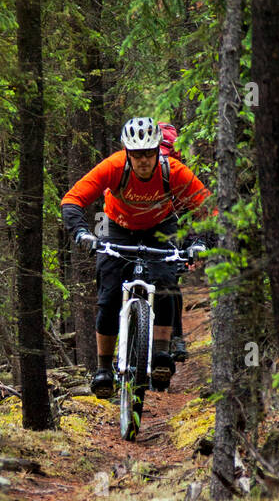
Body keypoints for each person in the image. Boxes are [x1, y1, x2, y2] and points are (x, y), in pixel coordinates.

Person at [61, 115, 212, 398]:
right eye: (137, 155)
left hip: (160, 227)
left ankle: (162, 355)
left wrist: (201, 242)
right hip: (117, 226)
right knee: (107, 295)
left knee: (166, 283)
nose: (143, 161)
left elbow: (210, 208)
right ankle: (104, 369)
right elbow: (72, 199)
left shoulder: (175, 171)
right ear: (127, 153)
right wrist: (82, 233)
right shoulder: (114, 167)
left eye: (148, 154)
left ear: (157, 151)